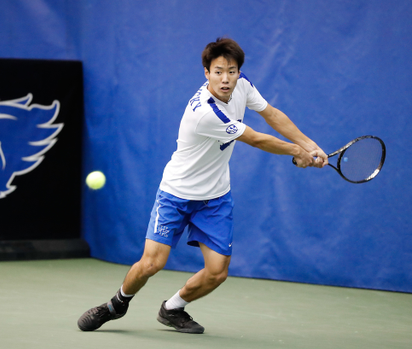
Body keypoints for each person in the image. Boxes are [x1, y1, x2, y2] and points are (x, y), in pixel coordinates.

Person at [77, 37, 328, 334]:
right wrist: (298, 152)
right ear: (206, 73)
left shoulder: (242, 85)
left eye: (231, 71)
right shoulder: (205, 112)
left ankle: (172, 308)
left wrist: (309, 144)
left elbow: (270, 113)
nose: (226, 78)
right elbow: (256, 138)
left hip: (215, 198)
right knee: (151, 264)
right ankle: (116, 305)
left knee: (217, 272)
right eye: (218, 71)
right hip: (176, 194)